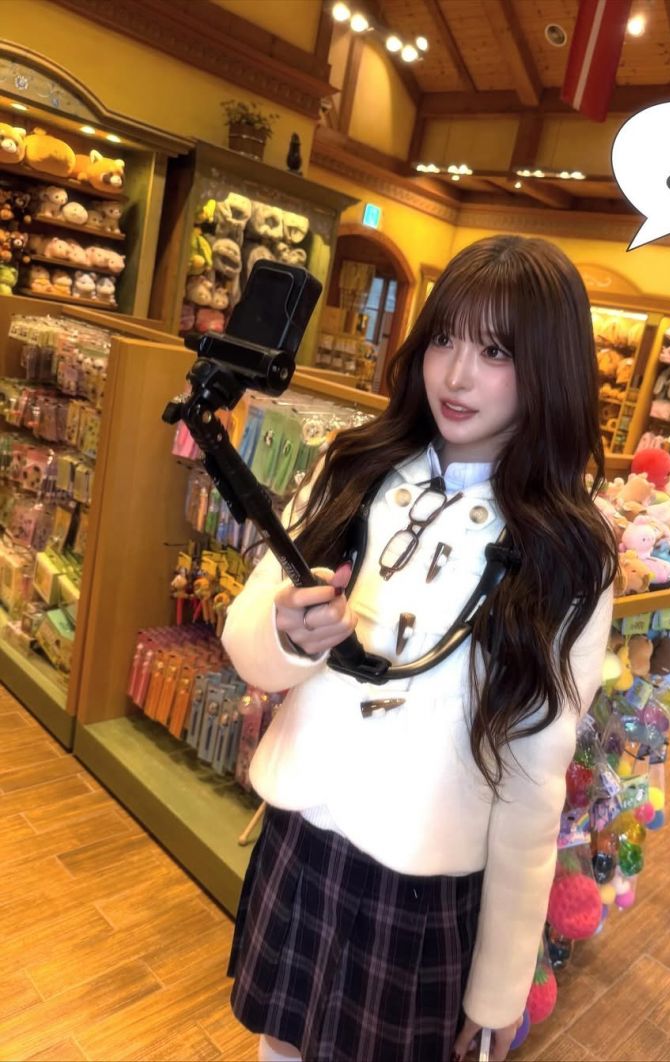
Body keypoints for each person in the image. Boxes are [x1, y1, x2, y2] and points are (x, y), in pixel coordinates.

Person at [222, 234, 617, 1062]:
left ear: (549, 367)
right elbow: (247, 638)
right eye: (444, 339)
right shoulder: (356, 468)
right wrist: (288, 636)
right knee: (278, 1048)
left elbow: (533, 778)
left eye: (496, 351)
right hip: (306, 831)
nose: (456, 376)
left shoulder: (568, 554)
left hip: (424, 882)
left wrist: (499, 983)